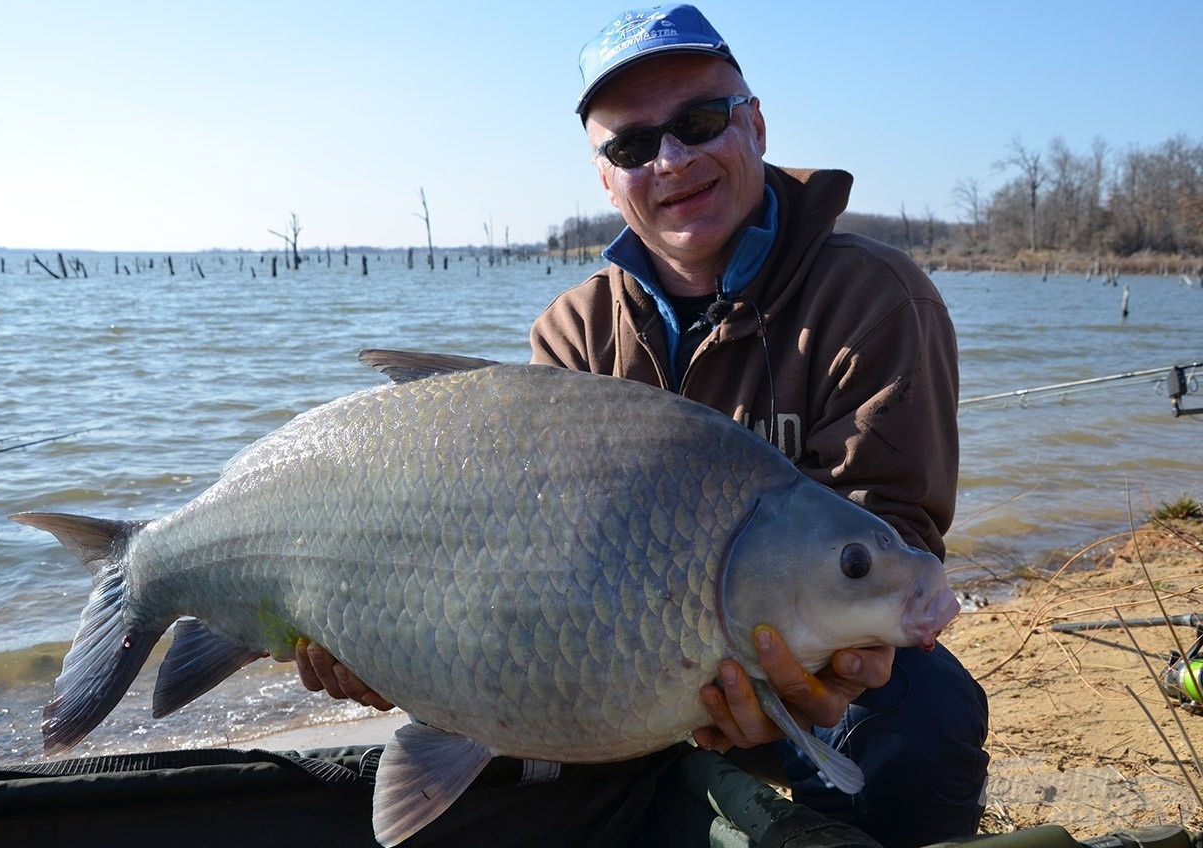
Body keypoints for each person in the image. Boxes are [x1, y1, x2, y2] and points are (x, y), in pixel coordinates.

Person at [296, 5, 989, 845]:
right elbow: (524, 556)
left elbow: (891, 531)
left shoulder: (875, 296)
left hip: (808, 674)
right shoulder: (573, 328)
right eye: (631, 145)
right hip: (617, 671)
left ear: (756, 123)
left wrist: (821, 681)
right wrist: (397, 648)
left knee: (925, 721)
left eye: (699, 122)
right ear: (603, 176)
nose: (672, 159)